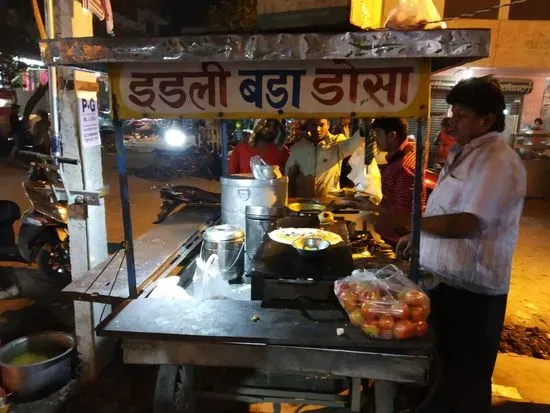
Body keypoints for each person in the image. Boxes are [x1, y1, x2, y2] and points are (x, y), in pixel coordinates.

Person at [396, 76, 526, 413]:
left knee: (466, 381)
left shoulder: (497, 160)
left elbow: (469, 222)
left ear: (487, 120)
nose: (453, 118)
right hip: (444, 285)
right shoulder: (465, 153)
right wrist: (417, 236)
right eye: (453, 111)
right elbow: (445, 210)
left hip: (474, 296)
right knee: (441, 375)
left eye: (462, 114)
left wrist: (413, 223)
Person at [358, 117, 424, 246]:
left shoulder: (404, 167)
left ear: (392, 135)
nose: (376, 140)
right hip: (392, 235)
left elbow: (404, 215)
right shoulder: (400, 157)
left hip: (399, 241)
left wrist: (372, 207)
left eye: (378, 134)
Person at [285, 118, 363, 198]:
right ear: (308, 126)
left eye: (321, 125)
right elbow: (289, 178)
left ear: (328, 125)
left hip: (329, 201)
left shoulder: (337, 143)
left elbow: (352, 144)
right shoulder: (298, 147)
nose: (317, 129)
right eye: (314, 125)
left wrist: (362, 132)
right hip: (303, 203)